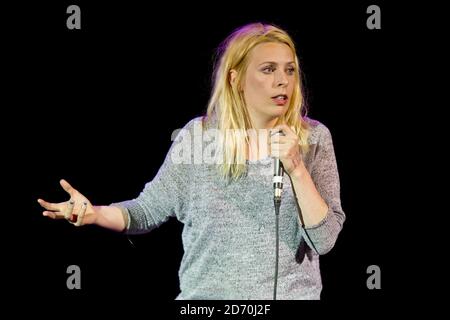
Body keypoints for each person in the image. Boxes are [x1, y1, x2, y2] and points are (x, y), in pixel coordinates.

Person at [37, 22, 345, 300]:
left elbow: (325, 240)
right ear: (236, 79)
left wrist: (296, 168)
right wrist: (95, 214)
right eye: (268, 69)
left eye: (290, 70)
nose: (283, 81)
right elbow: (147, 210)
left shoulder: (314, 139)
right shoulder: (197, 136)